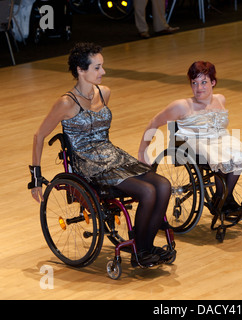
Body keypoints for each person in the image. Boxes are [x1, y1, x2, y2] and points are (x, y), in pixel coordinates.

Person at [28, 42, 172, 267]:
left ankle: (146, 245)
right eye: (97, 68)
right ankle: (140, 250)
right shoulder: (66, 103)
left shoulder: (104, 93)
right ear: (80, 70)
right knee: (147, 192)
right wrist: (36, 178)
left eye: (102, 66)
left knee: (163, 185)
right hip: (89, 163)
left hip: (113, 155)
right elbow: (38, 136)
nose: (103, 72)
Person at [138, 61, 242, 215]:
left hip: (220, 139)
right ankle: (221, 198)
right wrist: (142, 152)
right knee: (221, 156)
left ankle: (225, 197)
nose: (199, 88)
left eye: (204, 82)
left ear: (213, 83)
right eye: (194, 83)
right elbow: (154, 122)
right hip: (193, 142)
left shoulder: (220, 99)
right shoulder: (181, 106)